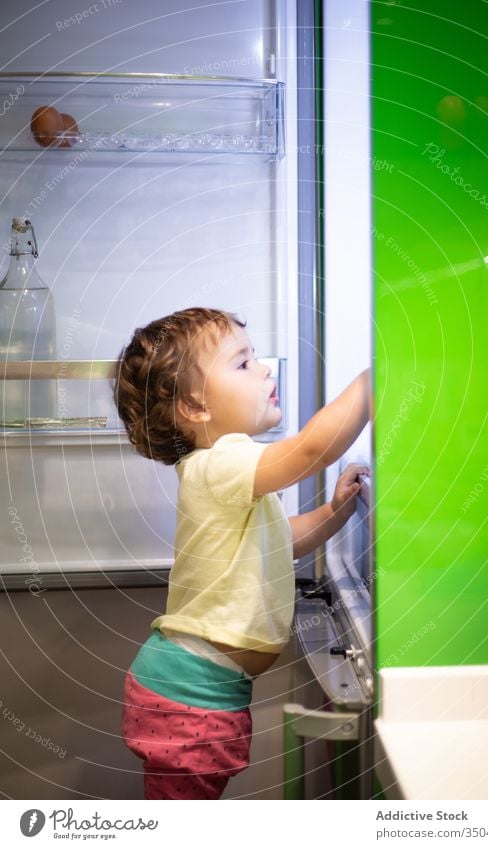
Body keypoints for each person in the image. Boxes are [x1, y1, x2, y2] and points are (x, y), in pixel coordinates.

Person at [114, 307, 370, 800]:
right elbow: (310, 450)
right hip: (189, 696)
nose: (265, 368)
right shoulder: (219, 462)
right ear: (195, 406)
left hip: (197, 693)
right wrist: (371, 382)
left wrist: (335, 513)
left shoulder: (219, 474)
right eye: (242, 363)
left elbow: (278, 543)